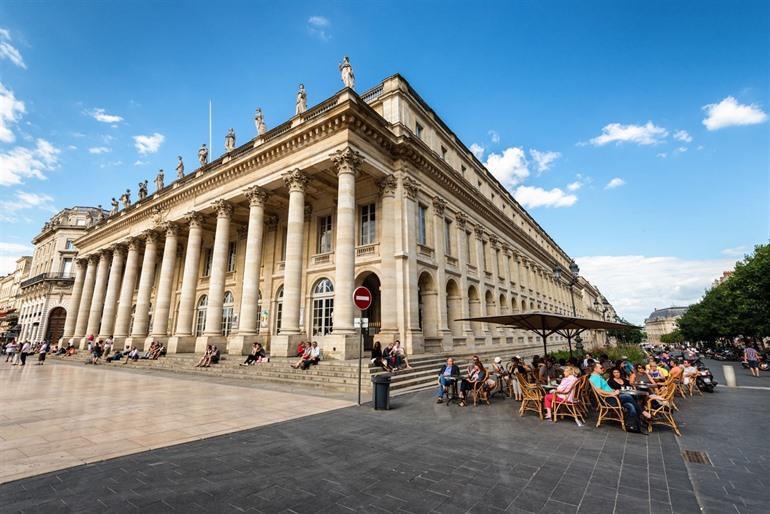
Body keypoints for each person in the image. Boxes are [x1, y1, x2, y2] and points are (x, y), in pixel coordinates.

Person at [589, 362, 650, 433]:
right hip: (609, 399)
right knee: (628, 396)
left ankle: (631, 425)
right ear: (595, 369)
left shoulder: (598, 376)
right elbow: (599, 391)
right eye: (601, 368)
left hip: (612, 397)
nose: (603, 369)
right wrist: (612, 393)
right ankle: (642, 412)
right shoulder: (595, 377)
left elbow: (604, 388)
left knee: (631, 405)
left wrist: (614, 390)